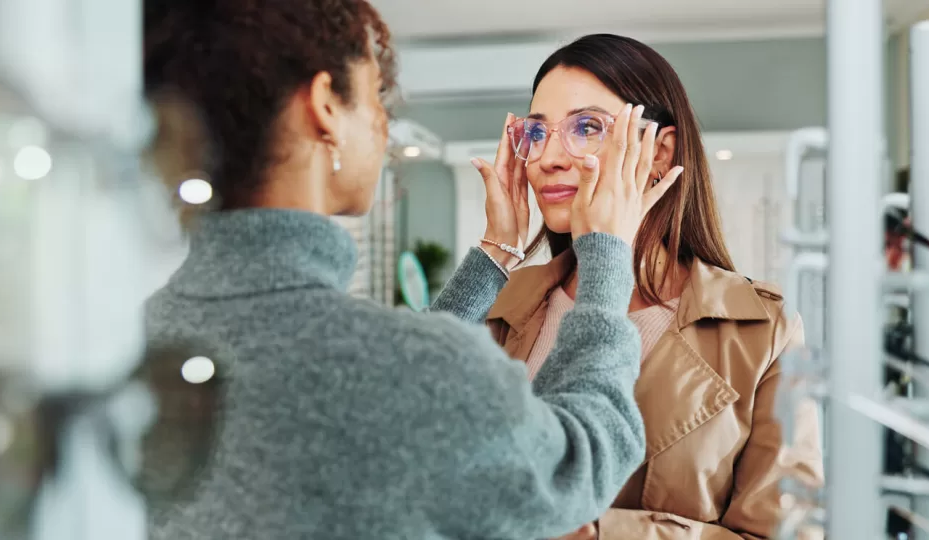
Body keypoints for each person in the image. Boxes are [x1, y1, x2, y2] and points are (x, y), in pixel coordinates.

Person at [141, 3, 679, 538]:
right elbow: (576, 462)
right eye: (378, 100)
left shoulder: (135, 339)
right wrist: (606, 254)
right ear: (326, 105)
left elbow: (406, 380)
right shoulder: (405, 366)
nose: (384, 129)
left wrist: (494, 255)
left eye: (586, 128)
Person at [436, 34, 824, 539]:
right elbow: (399, 440)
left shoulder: (763, 331)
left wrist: (593, 531)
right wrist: (496, 248)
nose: (549, 157)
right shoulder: (500, 307)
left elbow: (788, 533)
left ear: (659, 151)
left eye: (587, 127)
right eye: (537, 132)